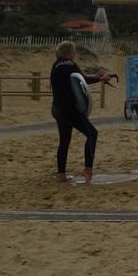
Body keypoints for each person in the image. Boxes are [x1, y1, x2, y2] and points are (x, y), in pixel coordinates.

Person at [49, 40, 115, 184]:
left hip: (57, 109)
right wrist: (100, 78)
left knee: (64, 140)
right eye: (74, 51)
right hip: (70, 109)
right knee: (92, 133)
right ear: (70, 52)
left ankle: (61, 175)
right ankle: (88, 169)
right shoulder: (70, 64)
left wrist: (97, 76)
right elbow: (83, 80)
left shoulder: (55, 66)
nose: (75, 54)